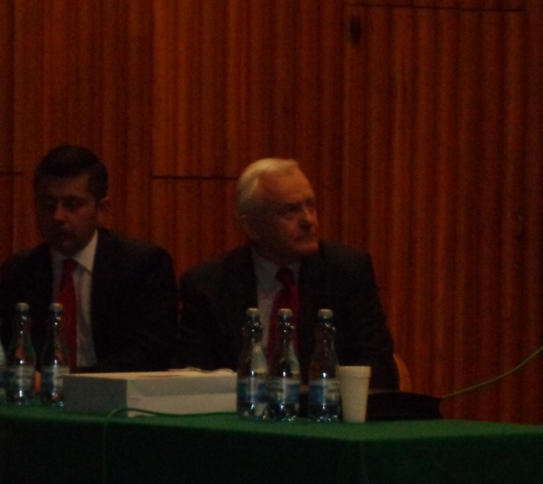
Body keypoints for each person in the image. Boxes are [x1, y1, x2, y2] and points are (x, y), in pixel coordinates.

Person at [174, 158, 398, 390]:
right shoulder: (208, 286)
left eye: (311, 206)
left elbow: (377, 366)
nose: (308, 220)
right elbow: (192, 378)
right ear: (251, 226)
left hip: (324, 409)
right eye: (290, 210)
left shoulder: (346, 272)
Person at [0, 145, 178, 372]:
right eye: (48, 205)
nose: (57, 216)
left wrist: (69, 382)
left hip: (114, 391)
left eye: (72, 205)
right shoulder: (18, 271)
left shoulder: (143, 266)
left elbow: (149, 356)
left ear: (102, 209)